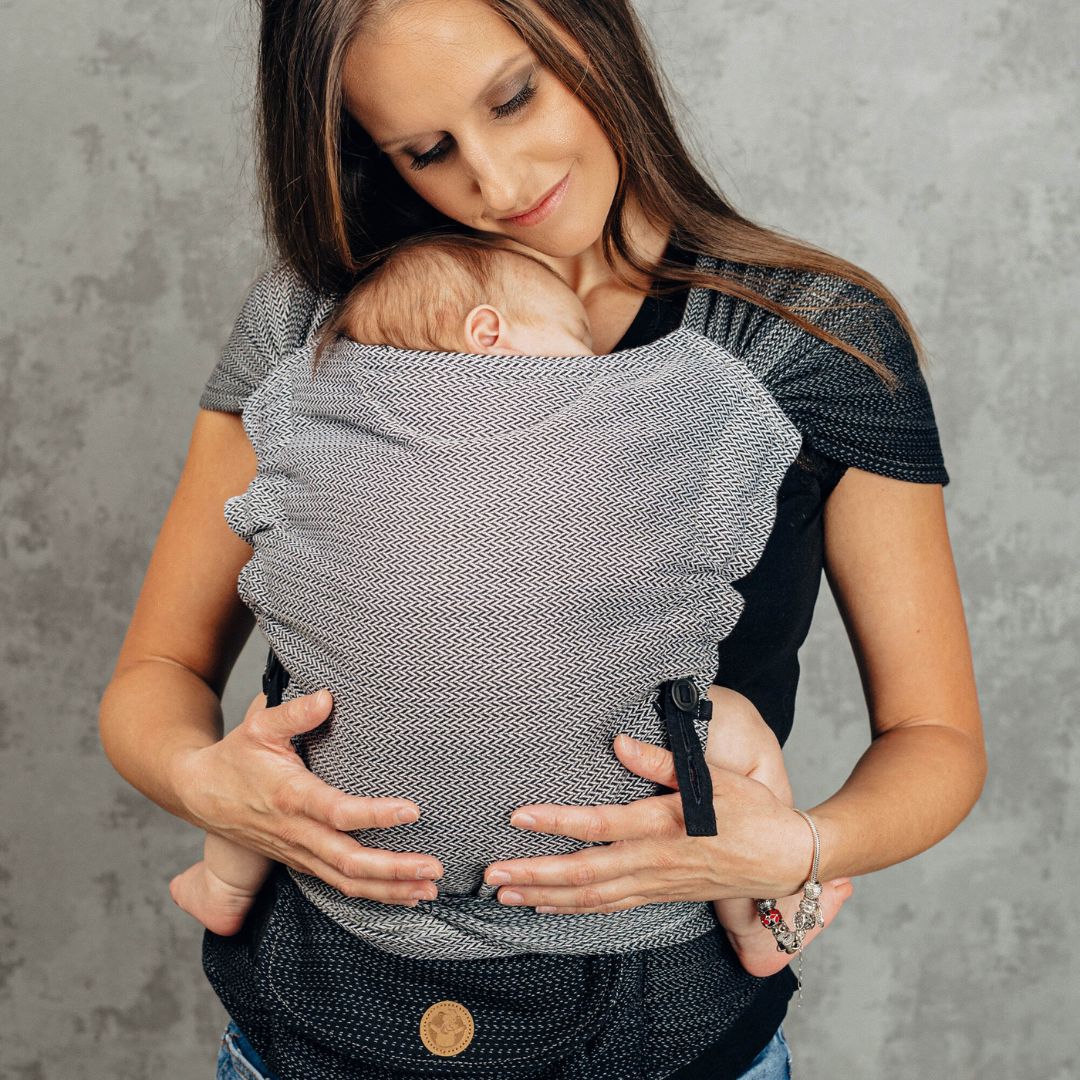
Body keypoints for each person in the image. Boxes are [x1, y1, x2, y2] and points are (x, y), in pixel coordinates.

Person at [97, 1, 986, 1078]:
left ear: (590, 35)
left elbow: (936, 741)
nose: (499, 182)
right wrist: (211, 789)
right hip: (314, 1032)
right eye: (428, 151)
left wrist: (799, 850)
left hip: (667, 1039)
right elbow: (156, 675)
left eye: (514, 97)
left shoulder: (804, 342)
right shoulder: (317, 330)